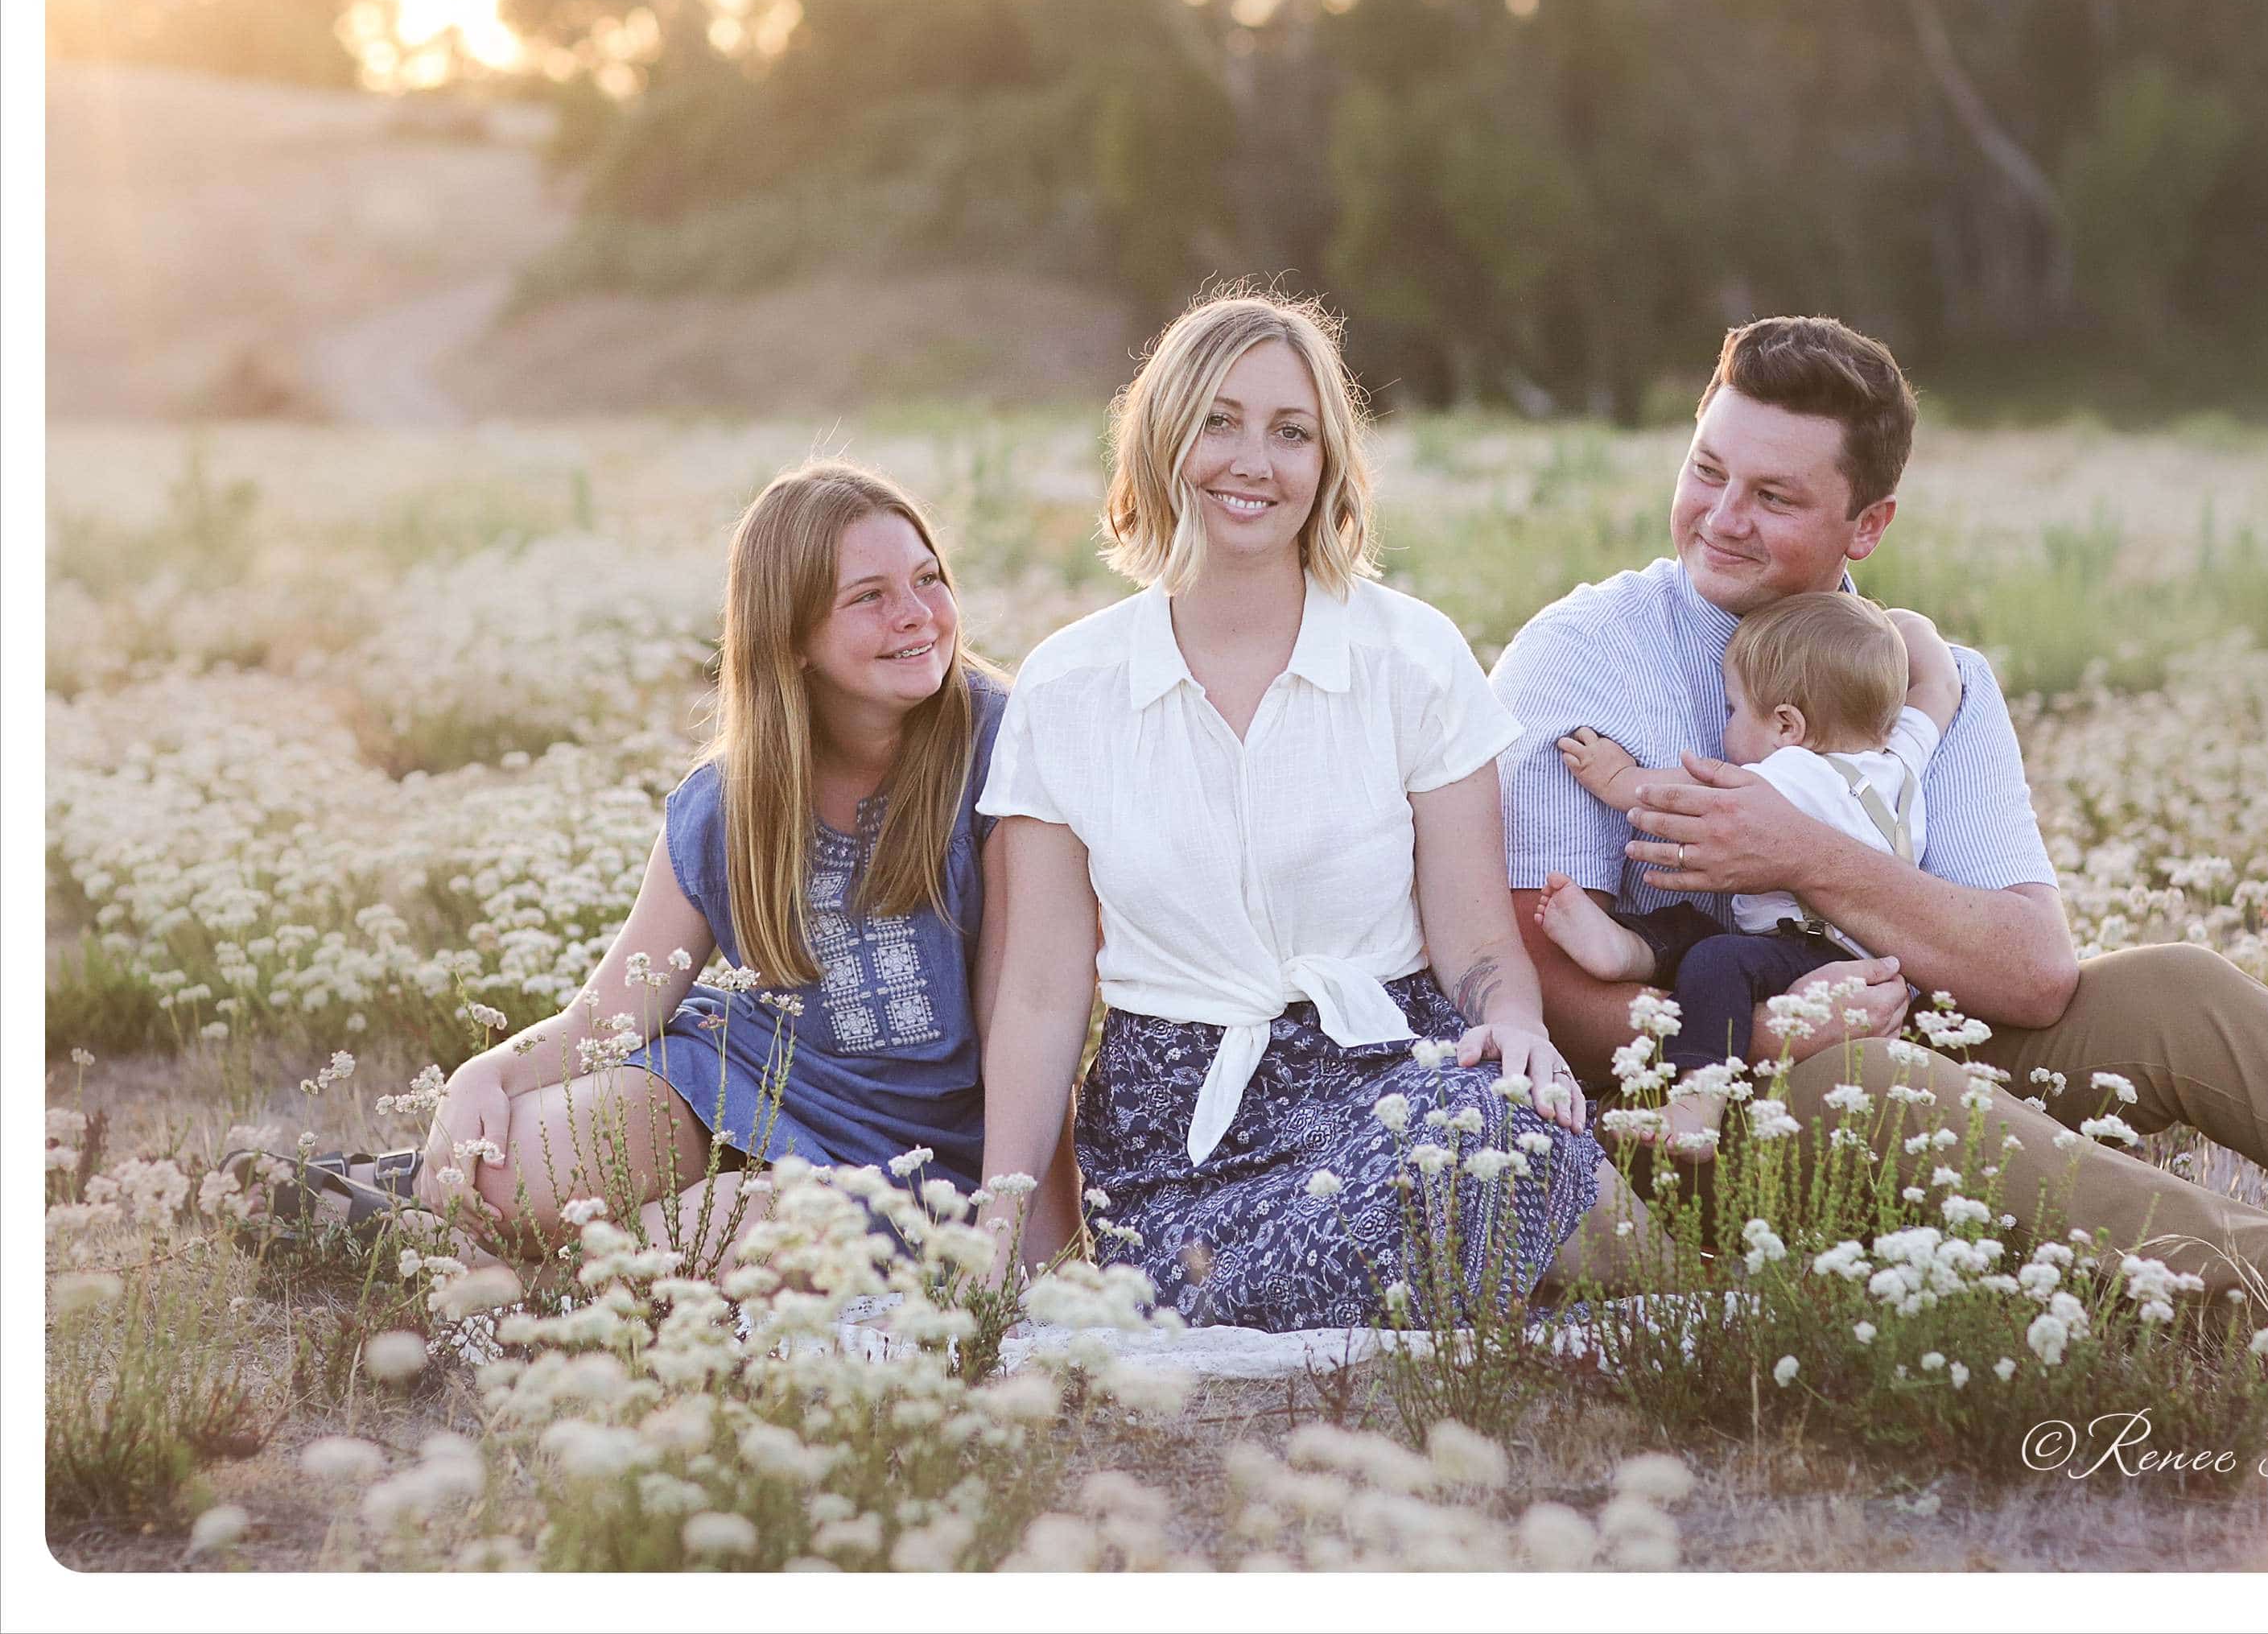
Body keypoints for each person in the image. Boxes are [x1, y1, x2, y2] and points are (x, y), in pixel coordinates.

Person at [1489, 316, 2268, 1344]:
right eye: (1709, 470)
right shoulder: (1583, 658)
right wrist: (1777, 1021)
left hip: (1933, 1057)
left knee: (2174, 985)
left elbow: (2036, 974)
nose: (1723, 519)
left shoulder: (1926, 675)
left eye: (1777, 496)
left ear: (1870, 523)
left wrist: (1806, 854)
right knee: (1881, 1075)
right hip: (1702, 1110)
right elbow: (1552, 993)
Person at [971, 288, 1647, 1332]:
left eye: (1292, 431)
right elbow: (1041, 993)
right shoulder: (1068, 684)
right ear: (1162, 440)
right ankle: (1441, 1277)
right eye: (1220, 421)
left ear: (1328, 461)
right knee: (1209, 1282)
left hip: (1392, 1081)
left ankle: (1617, 1270)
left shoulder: (1410, 654)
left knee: (1512, 1132)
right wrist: (1003, 1228)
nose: (1256, 460)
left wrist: (1515, 1023)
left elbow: (1476, 942)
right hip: (1176, 1129)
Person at [407, 460, 1012, 1266]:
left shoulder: (1002, 751)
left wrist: (1024, 1228)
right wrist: (482, 1074)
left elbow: (1030, 1025)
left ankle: (546, 1270)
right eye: (868, 596)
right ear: (791, 638)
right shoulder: (731, 798)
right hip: (746, 1082)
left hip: (926, 1152)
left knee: (716, 1242)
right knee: (499, 1179)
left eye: (927, 579)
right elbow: (612, 1013)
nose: (916, 616)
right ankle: (397, 1201)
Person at [1531, 591, 1961, 1155]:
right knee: (1693, 929)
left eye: (1733, 710)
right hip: (1841, 951)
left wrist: (1617, 777)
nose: (1726, 726)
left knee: (1719, 959)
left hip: (1818, 957)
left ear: (1787, 725)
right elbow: (1940, 688)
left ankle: (1698, 1101)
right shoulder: (1901, 761)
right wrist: (1915, 628)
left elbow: (1694, 795)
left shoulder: (1797, 772)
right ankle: (1626, 953)